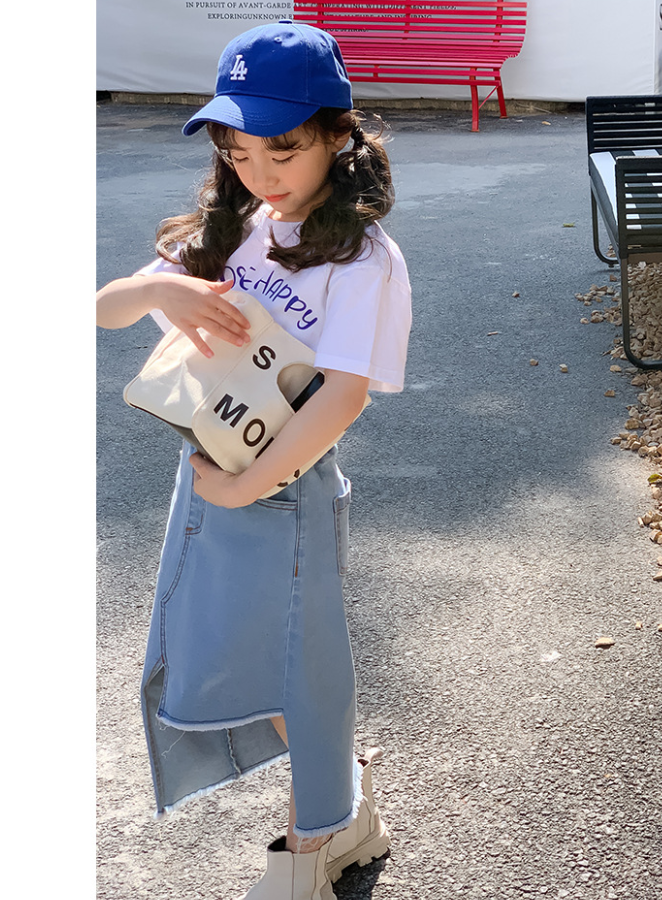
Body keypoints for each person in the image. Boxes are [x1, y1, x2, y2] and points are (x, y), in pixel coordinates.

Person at [96, 19, 411, 900]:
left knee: (302, 662)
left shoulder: (361, 260)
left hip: (284, 488)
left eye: (282, 147)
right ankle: (340, 794)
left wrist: (247, 485)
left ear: (337, 136)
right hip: (207, 480)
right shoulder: (232, 228)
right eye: (238, 149)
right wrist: (160, 287)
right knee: (221, 646)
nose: (259, 171)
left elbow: (342, 398)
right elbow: (104, 310)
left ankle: (322, 834)